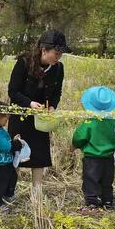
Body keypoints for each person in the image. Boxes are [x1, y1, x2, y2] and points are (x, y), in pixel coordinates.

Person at [8, 29, 70, 192]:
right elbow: (13, 91)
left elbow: (57, 92)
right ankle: (9, 191)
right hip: (20, 116)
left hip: (41, 119)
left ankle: (37, 191)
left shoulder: (58, 68)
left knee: (40, 155)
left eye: (60, 54)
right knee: (16, 154)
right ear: (44, 50)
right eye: (56, 53)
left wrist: (52, 106)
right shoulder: (24, 63)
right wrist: (29, 103)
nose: (58, 57)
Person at [72, 87, 115, 212]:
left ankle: (92, 203)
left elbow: (78, 138)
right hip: (109, 158)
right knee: (107, 181)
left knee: (91, 179)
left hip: (92, 158)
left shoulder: (89, 123)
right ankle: (108, 201)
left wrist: (78, 146)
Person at [0, 101, 23, 212]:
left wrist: (14, 140)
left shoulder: (1, 130)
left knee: (12, 178)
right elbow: (5, 146)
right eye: (6, 118)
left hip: (7, 163)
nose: (7, 120)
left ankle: (8, 195)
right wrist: (15, 145)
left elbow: (7, 143)